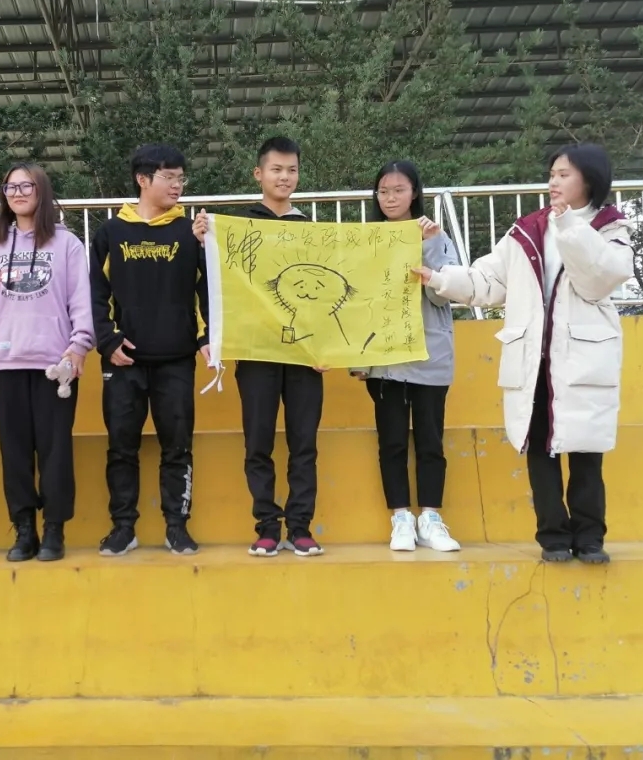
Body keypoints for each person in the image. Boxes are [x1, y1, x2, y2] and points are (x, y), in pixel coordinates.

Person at [414, 143, 632, 564]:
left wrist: (568, 226)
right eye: (552, 174)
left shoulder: (610, 228)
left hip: (582, 359)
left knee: (586, 453)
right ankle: (553, 537)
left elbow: (598, 280)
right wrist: (439, 279)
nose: (553, 182)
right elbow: (487, 282)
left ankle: (590, 538)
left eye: (564, 174)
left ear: (589, 179)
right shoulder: (528, 230)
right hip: (534, 360)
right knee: (539, 450)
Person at [192, 137, 327, 558]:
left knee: (304, 444)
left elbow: (327, 294)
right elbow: (211, 285)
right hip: (255, 353)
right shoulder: (234, 228)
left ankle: (300, 528)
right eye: (276, 169)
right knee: (258, 443)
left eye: (292, 170)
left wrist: (329, 347)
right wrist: (203, 244)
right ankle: (267, 526)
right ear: (259, 174)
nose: (284, 177)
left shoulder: (313, 230)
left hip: (305, 354)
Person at [0, 163, 94, 563]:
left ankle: (54, 528)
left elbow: (81, 299)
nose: (18, 193)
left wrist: (79, 346)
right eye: (10, 187)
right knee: (15, 452)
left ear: (42, 191)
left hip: (56, 364)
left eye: (26, 186)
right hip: (6, 362)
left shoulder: (67, 243)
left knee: (56, 451)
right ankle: (24, 528)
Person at [90, 142, 211, 557]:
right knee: (121, 448)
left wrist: (205, 338)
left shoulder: (191, 232)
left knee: (177, 448)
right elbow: (96, 293)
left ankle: (177, 527)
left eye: (181, 178)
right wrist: (108, 340)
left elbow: (206, 290)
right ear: (143, 180)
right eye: (168, 177)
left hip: (176, 359)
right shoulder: (110, 233)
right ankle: (123, 528)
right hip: (123, 362)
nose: (177, 185)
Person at [350, 161, 461, 552]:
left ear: (415, 192)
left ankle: (431, 518)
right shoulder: (368, 240)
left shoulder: (437, 237)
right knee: (392, 442)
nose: (390, 198)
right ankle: (400, 518)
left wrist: (429, 245)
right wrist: (359, 358)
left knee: (430, 441)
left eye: (399, 190)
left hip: (430, 354)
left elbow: (445, 293)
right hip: (385, 358)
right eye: (383, 191)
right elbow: (357, 301)